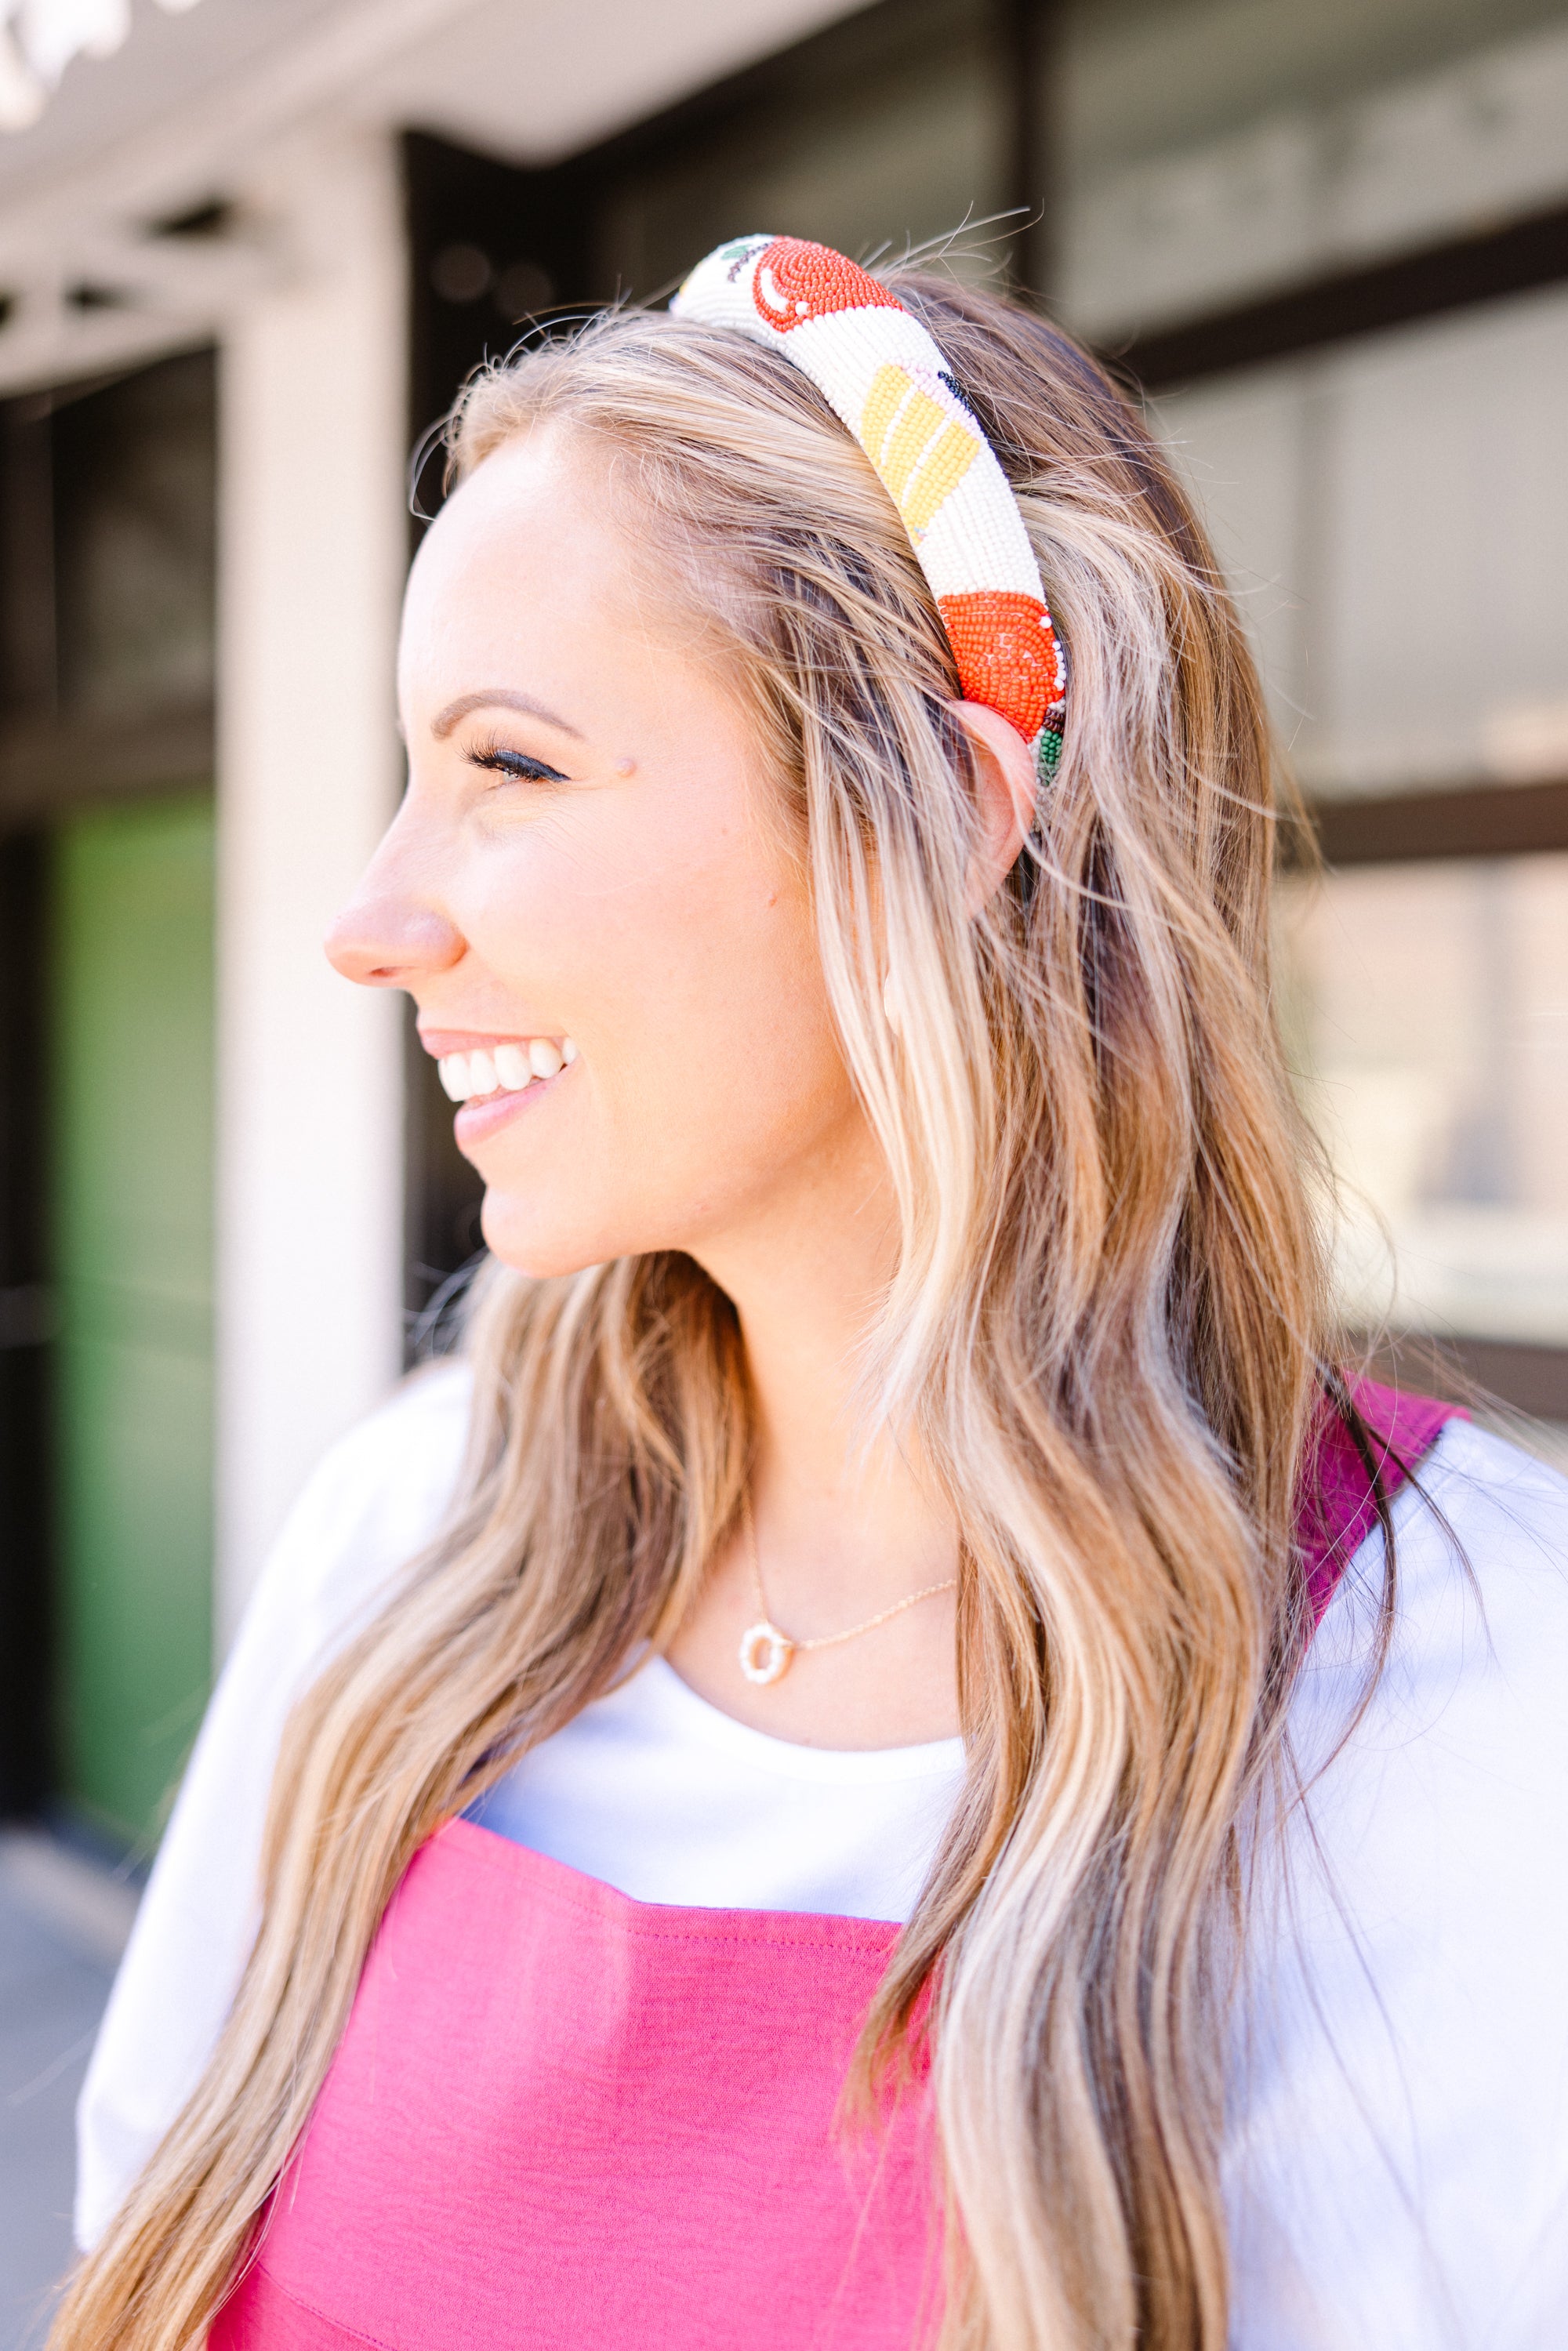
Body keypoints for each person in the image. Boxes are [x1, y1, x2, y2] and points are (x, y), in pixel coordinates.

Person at [56, 238, 1568, 2351]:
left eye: (508, 766)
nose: (374, 918)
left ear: (940, 815)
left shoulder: (1489, 1704)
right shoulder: (403, 1549)